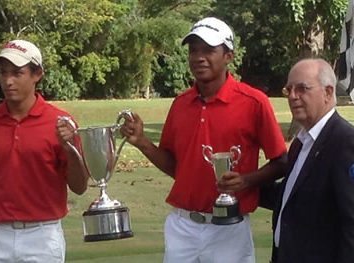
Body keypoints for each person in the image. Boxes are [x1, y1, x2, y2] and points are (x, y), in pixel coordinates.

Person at [120, 17, 287, 263]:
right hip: (182, 226)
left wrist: (245, 181)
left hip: (229, 227)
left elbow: (281, 161)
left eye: (209, 50)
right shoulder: (180, 104)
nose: (199, 57)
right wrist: (143, 142)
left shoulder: (254, 102)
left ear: (228, 56)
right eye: (193, 50)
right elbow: (178, 167)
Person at [0, 39, 89, 262]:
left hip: (43, 235)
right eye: (3, 73)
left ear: (37, 74)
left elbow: (79, 186)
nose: (8, 81)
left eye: (17, 73)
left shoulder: (61, 122)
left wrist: (69, 148)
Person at [266, 58, 354, 263]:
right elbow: (294, 198)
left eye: (302, 88)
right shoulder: (301, 142)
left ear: (328, 92)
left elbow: (351, 223)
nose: (293, 96)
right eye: (289, 89)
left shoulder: (345, 143)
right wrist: (245, 183)